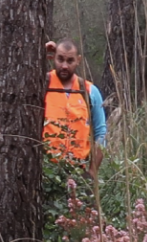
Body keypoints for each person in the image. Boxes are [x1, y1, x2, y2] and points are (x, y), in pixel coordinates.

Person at [44, 39, 107, 177]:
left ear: (78, 60)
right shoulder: (42, 84)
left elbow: (101, 133)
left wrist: (91, 173)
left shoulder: (90, 91)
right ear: (53, 57)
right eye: (60, 59)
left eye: (70, 60)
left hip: (79, 173)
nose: (64, 66)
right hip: (45, 172)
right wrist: (40, 54)